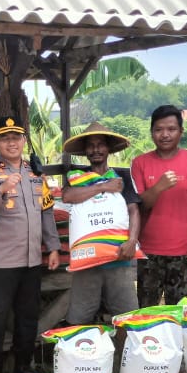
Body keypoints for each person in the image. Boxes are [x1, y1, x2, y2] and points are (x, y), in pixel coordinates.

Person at [0, 115, 60, 373]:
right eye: (5, 137)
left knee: (28, 318)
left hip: (31, 261)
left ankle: (24, 367)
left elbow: (46, 211)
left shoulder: (34, 174)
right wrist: (0, 191)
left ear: (23, 140)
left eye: (16, 137)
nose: (12, 142)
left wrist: (53, 246)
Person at [130, 104, 187, 307]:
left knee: (180, 311)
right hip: (147, 252)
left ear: (181, 132)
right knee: (147, 310)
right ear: (151, 132)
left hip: (183, 251)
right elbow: (140, 206)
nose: (165, 135)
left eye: (171, 129)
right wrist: (158, 187)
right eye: (159, 130)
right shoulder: (140, 163)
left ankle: (177, 341)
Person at [59, 122, 141, 324]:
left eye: (100, 144)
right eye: (91, 145)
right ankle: (85, 353)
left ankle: (124, 355)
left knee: (128, 318)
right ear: (85, 151)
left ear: (108, 148)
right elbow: (68, 196)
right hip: (86, 262)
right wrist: (104, 186)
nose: (95, 149)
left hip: (119, 259)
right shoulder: (77, 177)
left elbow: (134, 210)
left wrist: (132, 241)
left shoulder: (122, 177)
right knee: (78, 318)